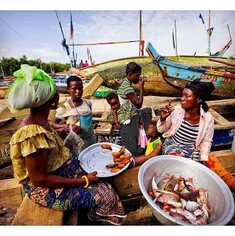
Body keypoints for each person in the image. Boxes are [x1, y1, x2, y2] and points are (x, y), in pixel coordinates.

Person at [7, 65, 126, 225]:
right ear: (47, 100)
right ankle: (95, 217)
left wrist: (61, 133)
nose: (58, 94)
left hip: (58, 170)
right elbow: (39, 180)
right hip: (44, 189)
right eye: (55, 92)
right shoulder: (32, 134)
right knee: (108, 197)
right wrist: (83, 181)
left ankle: (93, 210)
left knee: (104, 175)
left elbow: (49, 149)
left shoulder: (41, 122)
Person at [157, 78, 235, 193]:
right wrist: (163, 118)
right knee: (180, 168)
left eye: (186, 96)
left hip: (194, 149)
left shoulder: (207, 118)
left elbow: (206, 142)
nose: (182, 99)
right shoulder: (177, 111)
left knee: (217, 168)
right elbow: (161, 129)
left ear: (198, 99)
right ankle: (183, 193)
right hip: (173, 145)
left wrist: (205, 163)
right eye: (182, 95)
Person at [114, 62, 152, 156]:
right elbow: (139, 104)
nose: (139, 77)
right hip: (127, 117)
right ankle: (140, 148)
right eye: (137, 75)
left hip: (125, 112)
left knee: (146, 111)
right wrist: (141, 87)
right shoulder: (127, 89)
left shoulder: (124, 84)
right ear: (130, 74)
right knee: (147, 112)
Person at [52, 76, 97, 151]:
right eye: (74, 89)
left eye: (80, 88)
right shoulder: (65, 107)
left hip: (90, 139)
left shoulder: (87, 103)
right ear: (68, 90)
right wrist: (69, 126)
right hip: (77, 143)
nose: (78, 91)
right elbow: (53, 124)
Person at [106, 92, 152, 156]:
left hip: (133, 120)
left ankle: (143, 146)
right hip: (125, 125)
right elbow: (111, 120)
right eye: (113, 105)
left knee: (147, 112)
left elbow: (134, 110)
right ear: (110, 105)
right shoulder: (112, 113)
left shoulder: (126, 104)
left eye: (116, 103)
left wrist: (139, 117)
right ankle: (134, 151)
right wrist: (114, 115)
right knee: (129, 136)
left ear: (118, 100)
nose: (115, 106)